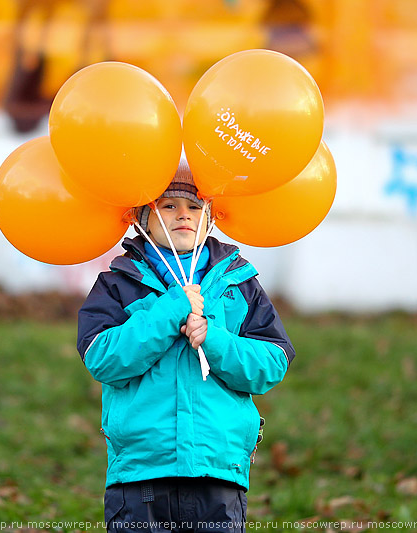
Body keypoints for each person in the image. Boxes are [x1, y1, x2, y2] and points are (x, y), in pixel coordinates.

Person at [76, 159, 295, 533]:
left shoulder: (237, 284)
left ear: (209, 217)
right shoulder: (118, 285)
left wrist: (215, 340)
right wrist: (168, 312)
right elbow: (102, 357)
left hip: (217, 468)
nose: (184, 215)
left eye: (195, 207)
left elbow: (272, 361)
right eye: (168, 206)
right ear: (143, 217)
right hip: (142, 471)